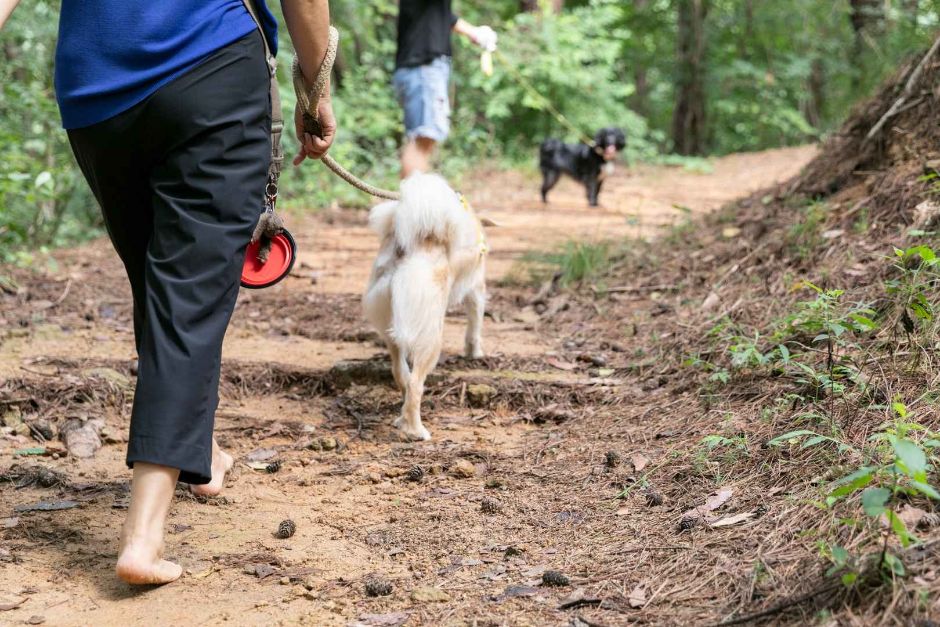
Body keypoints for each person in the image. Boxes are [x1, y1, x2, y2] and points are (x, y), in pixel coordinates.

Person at [0, 0, 336, 585]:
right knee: (186, 296)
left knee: (161, 282)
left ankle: (195, 456)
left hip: (97, 93)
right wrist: (315, 84)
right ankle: (142, 541)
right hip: (211, 68)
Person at [394, 1, 497, 177]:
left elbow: (443, 17)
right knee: (422, 140)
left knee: (424, 140)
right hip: (424, 67)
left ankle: (413, 201)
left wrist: (474, 32)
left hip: (422, 67)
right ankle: (413, 203)